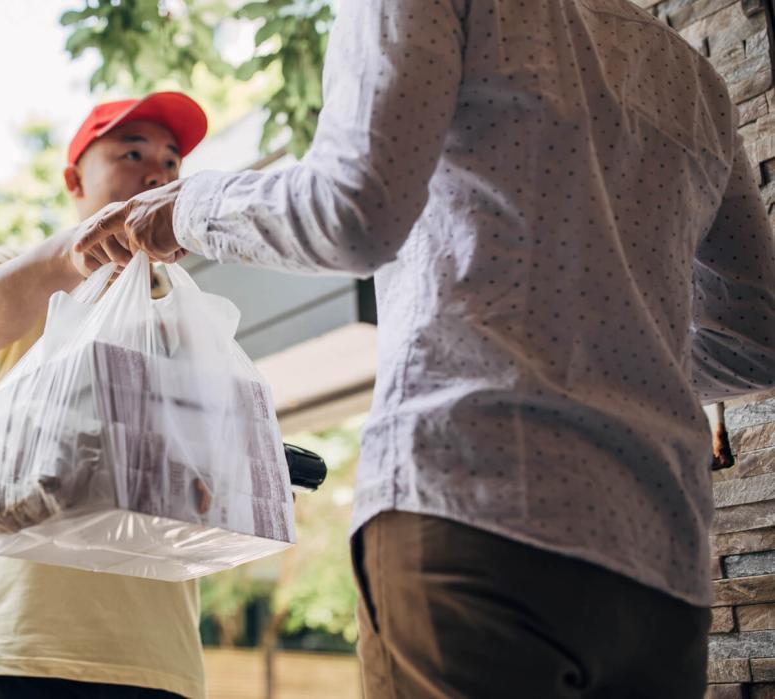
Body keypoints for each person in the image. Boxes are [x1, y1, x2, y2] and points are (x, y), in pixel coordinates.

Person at [79, 0, 775, 696]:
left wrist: (181, 209)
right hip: (660, 562)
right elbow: (756, 338)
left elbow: (351, 210)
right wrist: (605, 344)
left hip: (474, 508)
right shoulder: (691, 76)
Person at [0, 92, 209, 699]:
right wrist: (79, 252)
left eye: (171, 162)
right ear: (74, 179)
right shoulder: (24, 268)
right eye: (132, 150)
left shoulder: (188, 310)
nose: (157, 171)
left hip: (157, 655)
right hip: (21, 641)